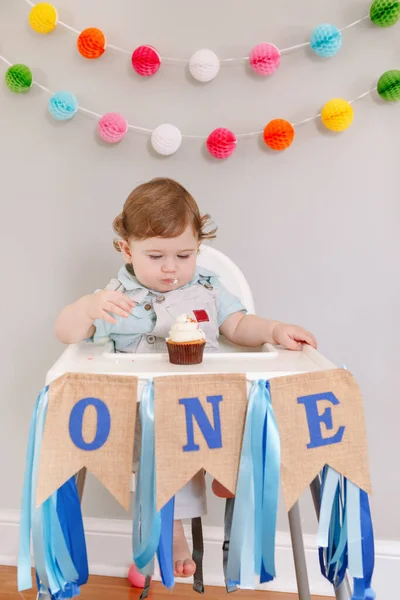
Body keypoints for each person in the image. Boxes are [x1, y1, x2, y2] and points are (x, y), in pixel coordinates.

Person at [55, 177, 317, 577]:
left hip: (207, 400)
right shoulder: (115, 297)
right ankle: (169, 535)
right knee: (165, 462)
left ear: (199, 250)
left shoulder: (209, 289)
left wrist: (274, 329)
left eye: (184, 255)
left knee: (250, 415)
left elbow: (238, 324)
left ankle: (230, 473)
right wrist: (88, 308)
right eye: (156, 255)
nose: (171, 268)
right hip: (150, 412)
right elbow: (67, 334)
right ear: (127, 249)